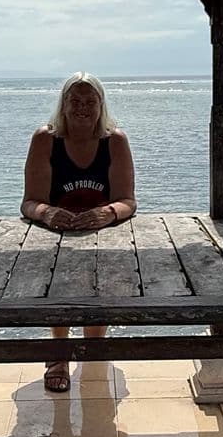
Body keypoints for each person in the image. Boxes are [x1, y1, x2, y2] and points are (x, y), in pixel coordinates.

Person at [20, 73, 137, 393]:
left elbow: (128, 201)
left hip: (103, 233)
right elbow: (29, 203)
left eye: (90, 101)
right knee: (57, 286)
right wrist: (48, 213)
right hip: (55, 233)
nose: (82, 107)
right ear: (64, 105)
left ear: (101, 106)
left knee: (99, 288)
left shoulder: (115, 141)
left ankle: (92, 355)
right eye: (75, 101)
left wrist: (108, 213)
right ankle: (58, 355)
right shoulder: (45, 139)